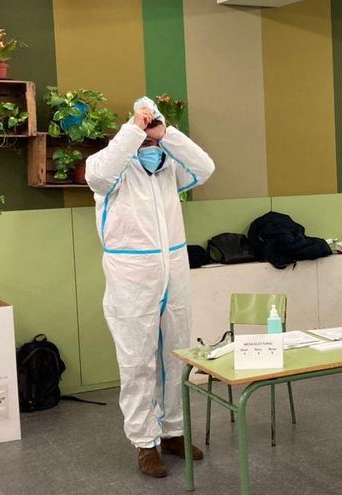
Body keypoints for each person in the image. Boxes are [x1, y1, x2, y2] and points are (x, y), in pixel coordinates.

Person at [86, 97, 215, 478]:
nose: (146, 134)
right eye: (142, 127)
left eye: (150, 127)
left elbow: (206, 167)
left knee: (177, 353)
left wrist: (166, 133)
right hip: (131, 274)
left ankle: (172, 430)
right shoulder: (109, 169)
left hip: (174, 268)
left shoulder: (170, 168)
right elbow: (97, 175)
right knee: (137, 359)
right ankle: (145, 442)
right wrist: (132, 129)